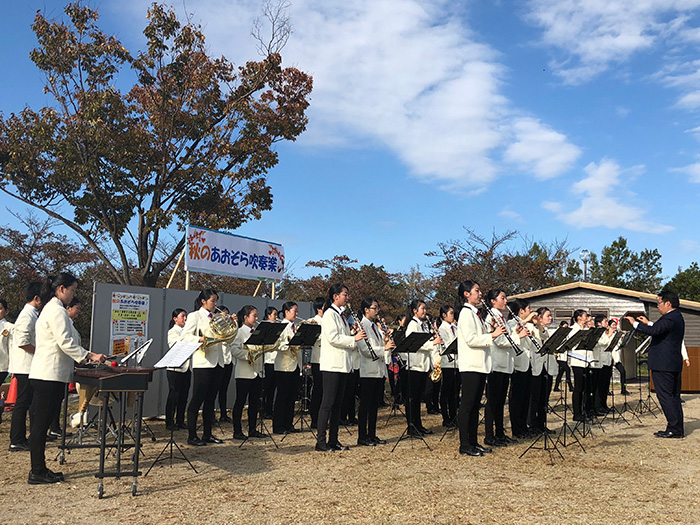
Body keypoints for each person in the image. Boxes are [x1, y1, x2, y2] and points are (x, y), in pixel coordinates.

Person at [28, 273, 104, 484]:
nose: (73, 295)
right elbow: (66, 342)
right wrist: (90, 355)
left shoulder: (53, 309)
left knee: (42, 423)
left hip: (51, 373)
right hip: (48, 374)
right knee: (40, 424)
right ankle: (37, 470)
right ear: (61, 289)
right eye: (73, 290)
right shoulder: (56, 310)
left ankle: (40, 468)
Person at [625, 291, 685, 438]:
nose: (658, 306)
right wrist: (647, 322)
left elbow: (654, 330)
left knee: (666, 396)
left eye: (659, 303)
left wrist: (635, 324)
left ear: (668, 303)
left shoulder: (669, 318)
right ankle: (676, 427)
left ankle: (674, 429)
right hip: (672, 363)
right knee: (674, 397)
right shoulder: (677, 317)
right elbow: (660, 329)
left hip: (664, 364)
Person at [455, 280, 505, 457]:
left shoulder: (476, 313)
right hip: (471, 365)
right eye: (477, 291)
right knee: (467, 406)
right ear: (466, 294)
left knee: (476, 406)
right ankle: (465, 444)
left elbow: (480, 336)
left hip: (480, 365)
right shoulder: (465, 314)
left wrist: (489, 331)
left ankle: (474, 442)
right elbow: (470, 339)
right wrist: (492, 335)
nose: (480, 293)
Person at [316, 284, 367, 452]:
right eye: (345, 294)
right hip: (332, 365)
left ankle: (333, 440)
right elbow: (333, 338)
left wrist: (353, 335)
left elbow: (343, 338)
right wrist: (354, 339)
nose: (347, 297)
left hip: (344, 365)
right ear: (335, 296)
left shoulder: (341, 316)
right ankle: (321, 442)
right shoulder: (330, 314)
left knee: (338, 404)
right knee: (327, 403)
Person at [181, 289, 226, 446]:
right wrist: (200, 339)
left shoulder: (216, 317)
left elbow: (223, 337)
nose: (215, 304)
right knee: (197, 399)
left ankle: (207, 434)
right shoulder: (195, 316)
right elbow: (185, 336)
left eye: (216, 301)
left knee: (210, 400)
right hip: (203, 362)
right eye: (213, 301)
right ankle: (192, 436)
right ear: (203, 301)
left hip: (218, 361)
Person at [483, 289, 523, 446]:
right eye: (502, 298)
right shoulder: (491, 317)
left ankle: (499, 433)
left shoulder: (501, 316)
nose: (505, 301)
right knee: (492, 402)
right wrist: (518, 337)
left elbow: (506, 337)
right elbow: (498, 341)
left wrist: (515, 331)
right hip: (496, 365)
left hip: (505, 365)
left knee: (500, 402)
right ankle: (489, 435)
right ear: (493, 301)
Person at [8, 281, 43, 452]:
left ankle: (21, 438)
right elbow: (22, 342)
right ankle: (16, 439)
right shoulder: (26, 316)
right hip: (25, 367)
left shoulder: (32, 315)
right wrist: (40, 351)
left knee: (26, 403)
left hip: (29, 365)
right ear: (36, 298)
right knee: (22, 403)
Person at [400, 299, 442, 437]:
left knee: (418, 398)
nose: (425, 311)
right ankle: (412, 427)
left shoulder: (423, 325)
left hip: (423, 366)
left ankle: (418, 424)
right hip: (414, 366)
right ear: (415, 311)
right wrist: (433, 342)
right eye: (422, 309)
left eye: (425, 308)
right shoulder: (412, 325)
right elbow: (415, 344)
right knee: (412, 399)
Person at [357, 298, 393, 446]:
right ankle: (362, 436)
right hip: (367, 371)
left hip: (378, 370)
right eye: (374, 308)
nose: (377, 311)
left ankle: (372, 434)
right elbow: (366, 350)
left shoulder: (375, 327)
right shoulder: (361, 325)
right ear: (366, 310)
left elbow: (378, 347)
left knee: (374, 406)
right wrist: (384, 348)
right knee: (365, 405)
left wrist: (386, 342)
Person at [230, 305, 266, 440]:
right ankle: (237, 431)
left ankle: (252, 429)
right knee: (240, 402)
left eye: (257, 316)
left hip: (257, 371)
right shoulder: (239, 332)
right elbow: (234, 350)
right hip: (244, 372)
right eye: (254, 316)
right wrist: (249, 355)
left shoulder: (257, 331)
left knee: (254, 402)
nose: (256, 318)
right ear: (245, 317)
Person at [506, 298, 534, 439]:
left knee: (525, 398)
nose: (530, 312)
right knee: (517, 398)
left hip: (527, 363)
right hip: (518, 364)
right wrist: (526, 321)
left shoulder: (525, 324)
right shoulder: (511, 323)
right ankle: (517, 429)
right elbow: (512, 337)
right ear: (521, 311)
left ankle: (524, 426)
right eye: (528, 309)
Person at [273, 302, 301, 434]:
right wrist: (289, 345)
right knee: (282, 397)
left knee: (291, 397)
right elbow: (276, 344)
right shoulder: (281, 326)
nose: (296, 314)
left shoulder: (295, 327)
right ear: (286, 312)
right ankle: (278, 426)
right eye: (294, 311)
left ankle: (288, 424)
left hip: (295, 365)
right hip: (283, 366)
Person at [529, 307, 557, 434]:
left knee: (544, 398)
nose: (550, 318)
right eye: (548, 316)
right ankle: (532, 424)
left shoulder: (546, 330)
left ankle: (542, 424)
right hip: (536, 366)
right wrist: (537, 324)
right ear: (540, 318)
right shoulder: (531, 329)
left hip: (548, 366)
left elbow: (544, 335)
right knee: (534, 398)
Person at [164, 308, 189, 431]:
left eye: (186, 316)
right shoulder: (173, 331)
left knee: (184, 396)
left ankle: (180, 421)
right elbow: (176, 346)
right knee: (174, 395)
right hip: (175, 369)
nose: (185, 319)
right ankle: (169, 422)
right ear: (175, 319)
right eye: (182, 316)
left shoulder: (187, 331)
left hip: (187, 367)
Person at [436, 305, 459, 427]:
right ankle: (446, 418)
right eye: (450, 313)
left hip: (457, 362)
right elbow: (448, 344)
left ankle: (454, 416)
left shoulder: (455, 326)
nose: (452, 315)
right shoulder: (442, 328)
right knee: (446, 391)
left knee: (455, 393)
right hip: (448, 363)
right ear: (444, 315)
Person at [568, 309, 592, 422]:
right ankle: (576, 413)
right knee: (578, 388)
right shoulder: (573, 329)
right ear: (578, 317)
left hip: (586, 361)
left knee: (585, 388)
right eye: (585, 316)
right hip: (577, 361)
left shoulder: (586, 329)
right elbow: (573, 343)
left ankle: (584, 411)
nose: (586, 318)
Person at [308, 297, 325, 429]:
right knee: (318, 390)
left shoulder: (328, 320)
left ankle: (324, 418)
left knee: (326, 391)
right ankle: (315, 419)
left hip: (328, 360)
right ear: (319, 308)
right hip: (318, 360)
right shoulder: (312, 321)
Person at [216, 305, 234, 423]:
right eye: (224, 315)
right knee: (214, 389)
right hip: (219, 360)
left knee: (224, 389)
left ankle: (223, 413)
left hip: (228, 359)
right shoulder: (217, 327)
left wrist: (233, 325)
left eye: (227, 315)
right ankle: (211, 415)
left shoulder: (229, 328)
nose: (226, 317)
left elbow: (231, 339)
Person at [260, 306, 279, 419]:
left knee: (272, 388)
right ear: (268, 315)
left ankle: (269, 410)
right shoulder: (265, 326)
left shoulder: (277, 327)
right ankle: (263, 410)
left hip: (275, 360)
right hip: (267, 360)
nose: (276, 317)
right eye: (274, 314)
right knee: (266, 388)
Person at [554, 320, 574, 392]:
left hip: (564, 355)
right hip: (559, 355)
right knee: (567, 370)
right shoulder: (558, 333)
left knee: (561, 372)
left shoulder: (566, 334)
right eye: (564, 327)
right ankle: (570, 386)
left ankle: (556, 387)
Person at [0, 298, 13, 387]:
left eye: (0, 308)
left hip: (2, 366)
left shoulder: (10, 327)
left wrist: (13, 367)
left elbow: (12, 347)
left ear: (6, 311)